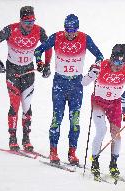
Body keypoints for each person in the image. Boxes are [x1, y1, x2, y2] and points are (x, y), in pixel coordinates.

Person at [34, 14, 104, 165]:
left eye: (73, 30)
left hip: (76, 85)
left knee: (75, 121)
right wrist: (40, 63)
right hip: (60, 83)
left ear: (77, 29)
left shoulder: (85, 38)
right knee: (56, 119)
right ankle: (53, 151)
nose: (70, 33)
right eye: (67, 29)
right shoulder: (57, 37)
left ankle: (72, 153)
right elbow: (38, 50)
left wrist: (96, 66)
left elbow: (100, 55)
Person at [0, 6, 52, 152]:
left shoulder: (39, 30)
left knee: (27, 106)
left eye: (32, 21)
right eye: (26, 21)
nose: (30, 25)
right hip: (13, 72)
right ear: (20, 20)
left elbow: (48, 47)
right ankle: (12, 138)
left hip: (29, 72)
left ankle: (26, 139)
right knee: (15, 105)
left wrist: (46, 64)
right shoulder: (10, 30)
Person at [82, 44, 125, 181]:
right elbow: (83, 83)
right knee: (101, 130)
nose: (118, 65)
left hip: (115, 104)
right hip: (99, 102)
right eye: (115, 61)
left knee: (116, 135)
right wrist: (91, 74)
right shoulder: (102, 65)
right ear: (111, 59)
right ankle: (95, 162)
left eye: (121, 62)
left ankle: (113, 164)